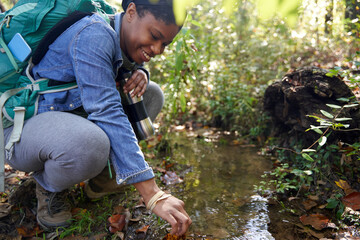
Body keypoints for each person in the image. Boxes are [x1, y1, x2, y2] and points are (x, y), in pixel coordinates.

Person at [3, 0, 192, 236]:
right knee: (91, 143)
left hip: (61, 119)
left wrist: (141, 71)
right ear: (131, 12)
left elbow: (118, 66)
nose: (157, 49)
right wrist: (153, 194)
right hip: (20, 131)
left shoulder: (118, 28)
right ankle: (48, 187)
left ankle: (102, 181)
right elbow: (106, 110)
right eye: (154, 36)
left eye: (165, 43)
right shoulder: (94, 33)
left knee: (151, 94)